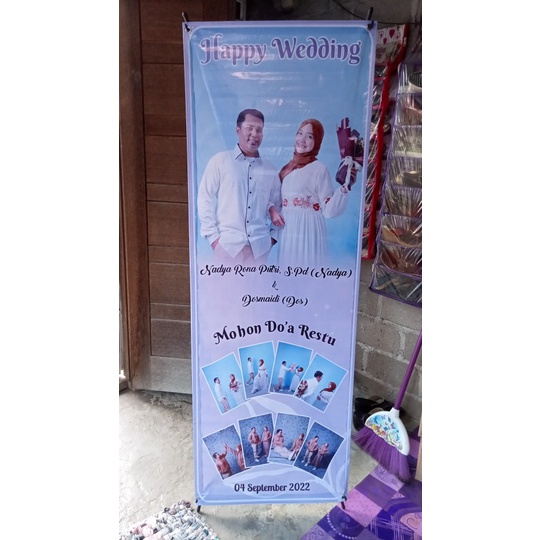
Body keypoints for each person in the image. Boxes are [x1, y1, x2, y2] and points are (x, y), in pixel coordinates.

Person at [197, 109, 283, 264]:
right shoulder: (220, 161)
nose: (255, 134)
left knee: (261, 283)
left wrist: (272, 239)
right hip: (227, 248)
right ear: (238, 130)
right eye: (249, 128)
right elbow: (204, 198)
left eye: (259, 130)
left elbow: (278, 206)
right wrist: (214, 240)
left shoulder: (270, 169)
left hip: (260, 250)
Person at [271, 118, 351, 268]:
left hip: (309, 232)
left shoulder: (319, 169)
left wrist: (343, 189)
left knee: (308, 271)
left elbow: (328, 210)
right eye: (300, 133)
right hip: (288, 233)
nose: (302, 139)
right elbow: (278, 205)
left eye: (309, 136)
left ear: (317, 142)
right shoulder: (286, 169)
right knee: (288, 273)